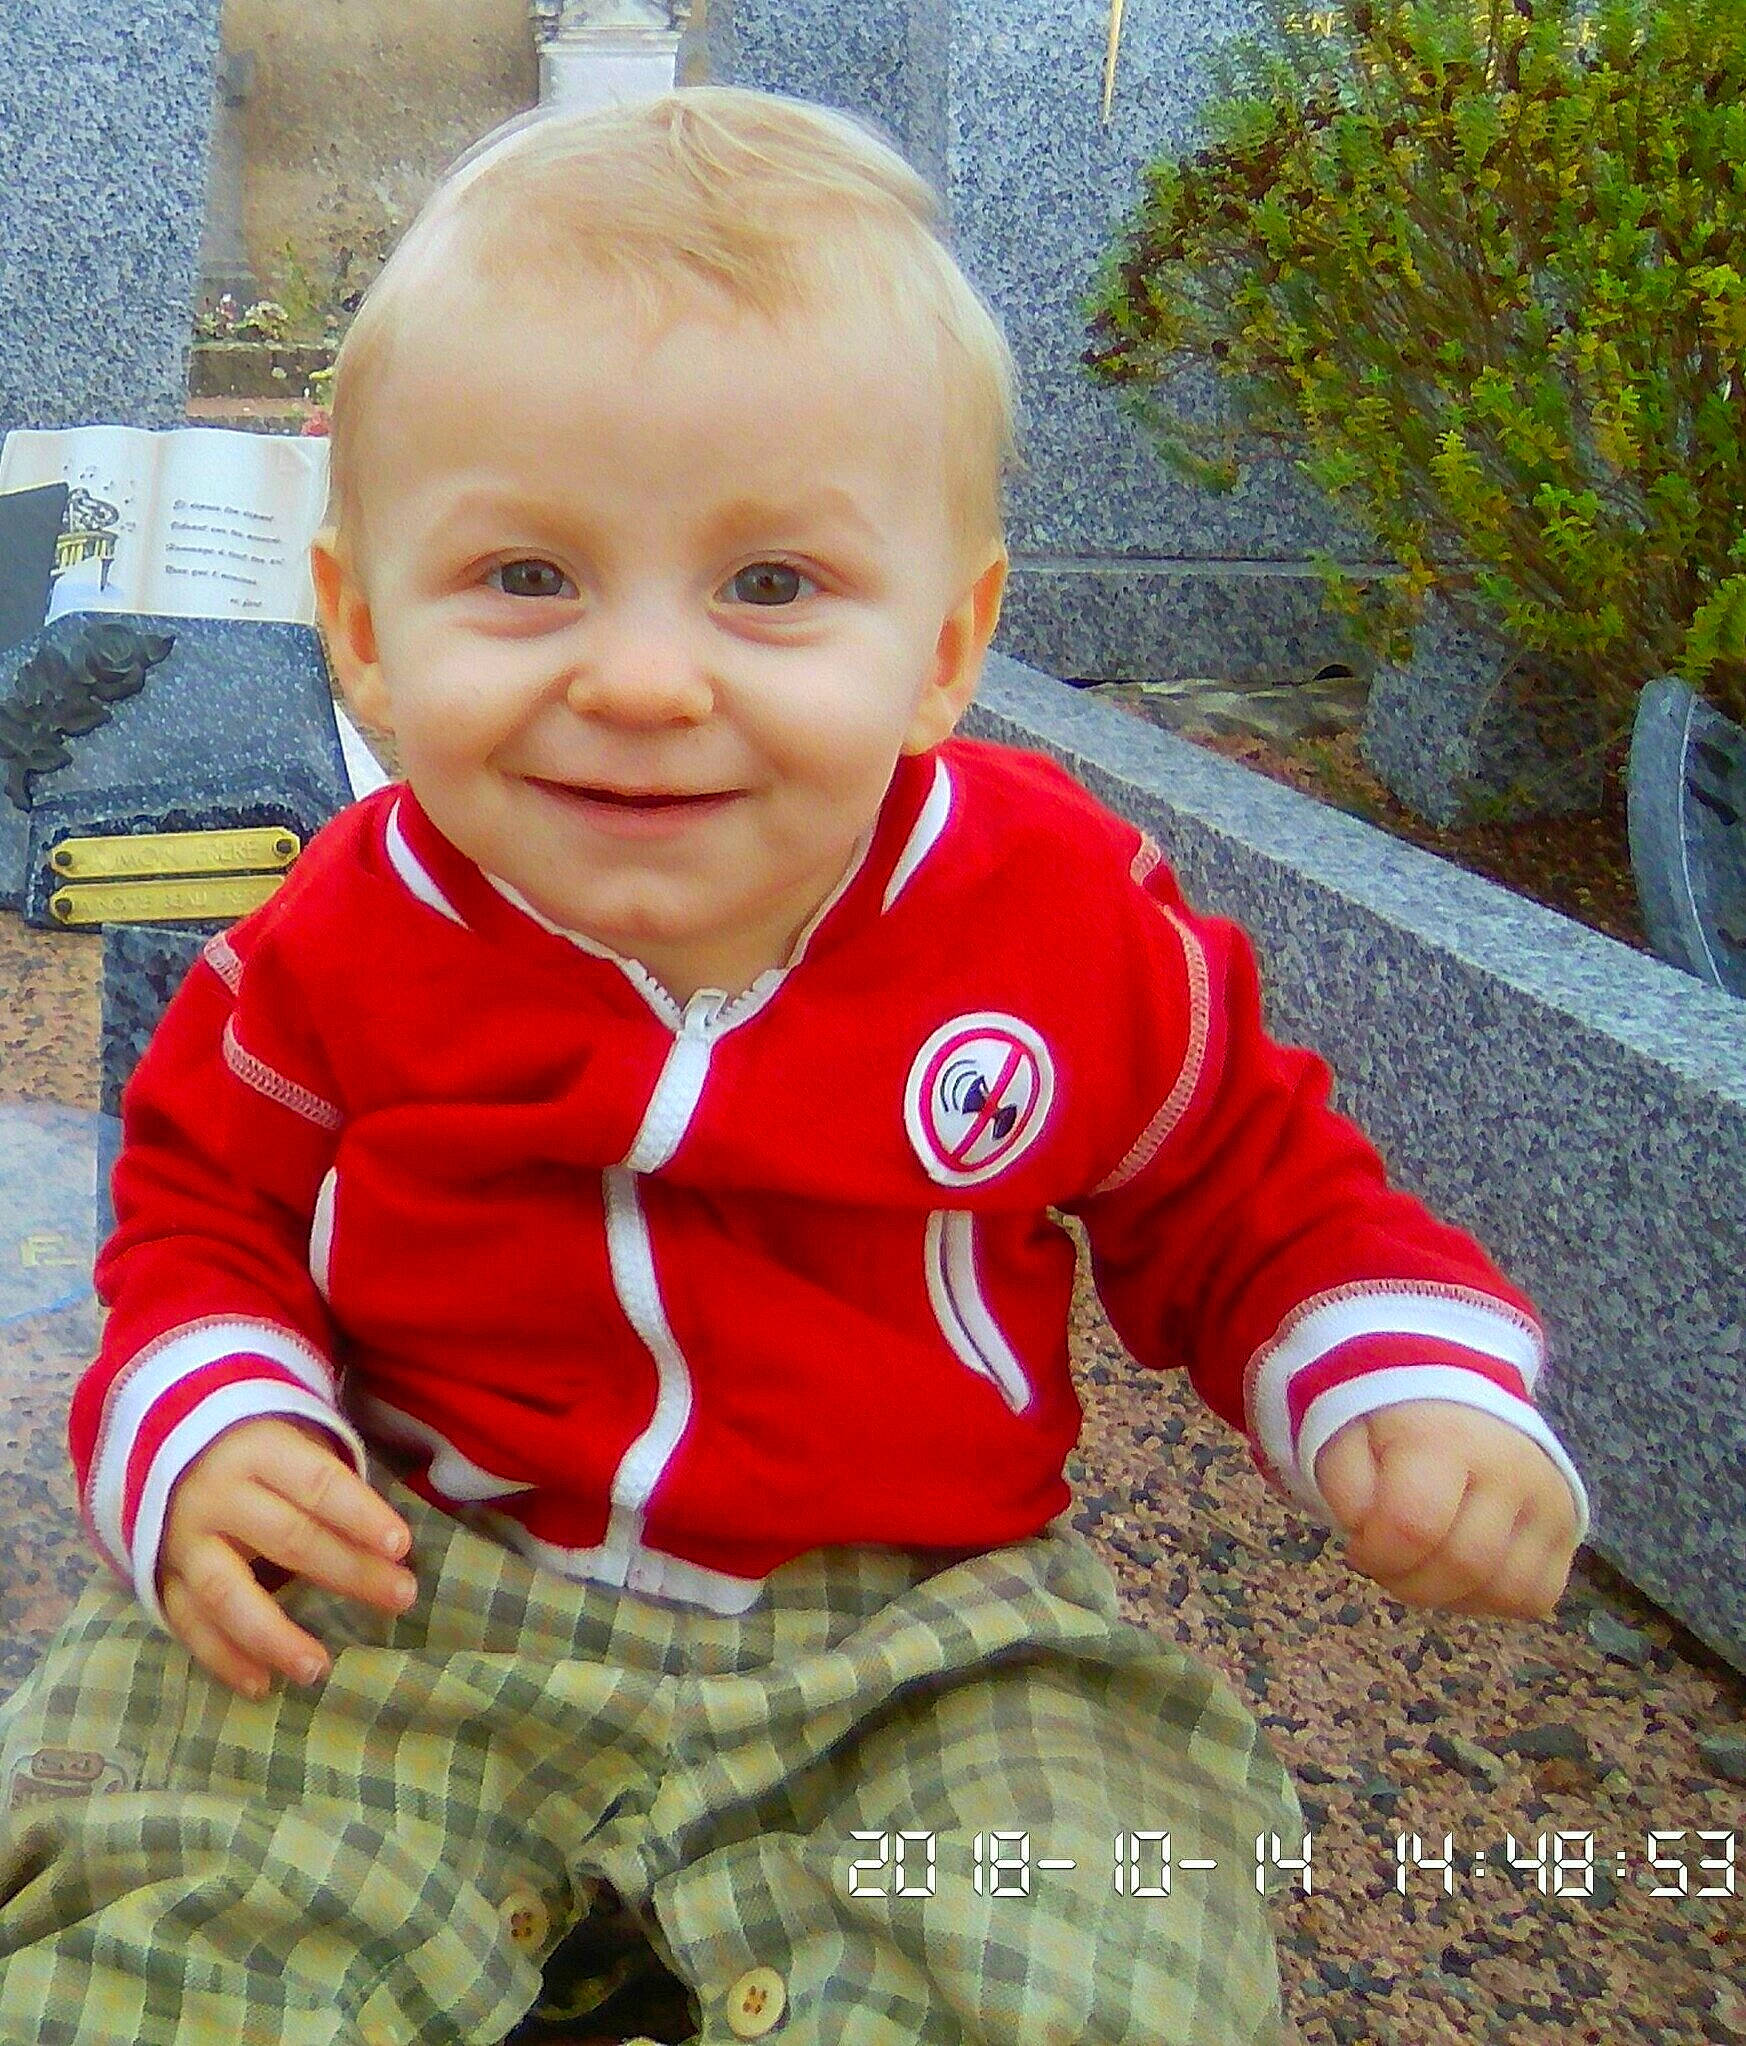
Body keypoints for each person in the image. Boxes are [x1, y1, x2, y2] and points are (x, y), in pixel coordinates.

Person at [0, 85, 1586, 2046]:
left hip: (921, 1632)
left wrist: (1401, 1385)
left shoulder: (1055, 912)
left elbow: (1246, 1181)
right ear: (363, 632)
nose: (647, 682)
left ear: (944, 643)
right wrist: (220, 1419)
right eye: (524, 577)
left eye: (770, 587)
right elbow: (201, 1201)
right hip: (424, 1565)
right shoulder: (347, 923)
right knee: (164, 1899)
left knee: (1089, 1945)